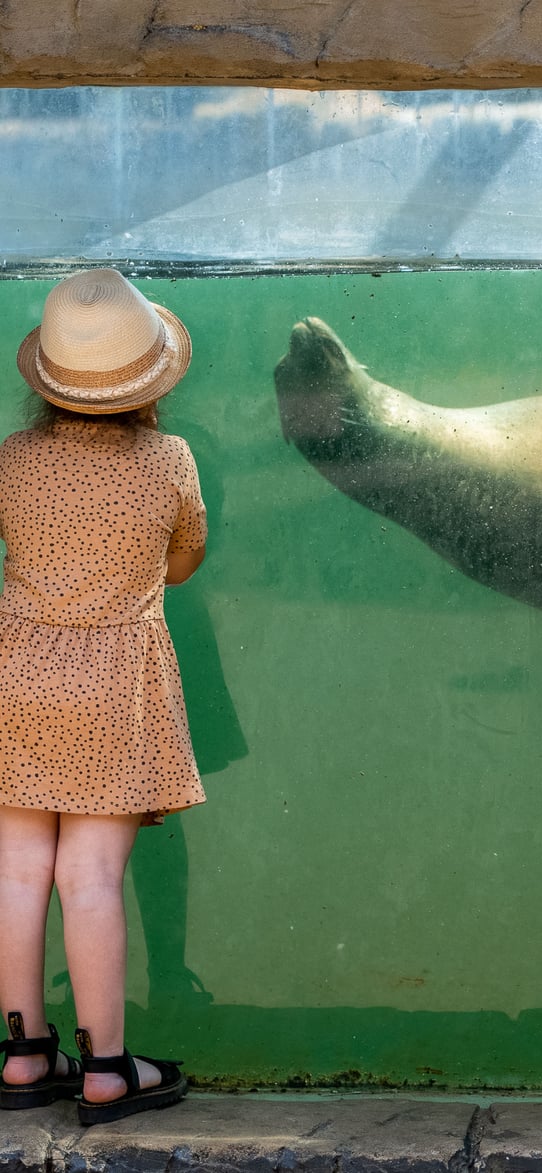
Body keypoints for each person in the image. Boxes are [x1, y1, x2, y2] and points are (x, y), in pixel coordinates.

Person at [0, 269, 207, 1125]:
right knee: (90, 877)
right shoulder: (169, 460)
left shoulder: (11, 458)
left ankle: (21, 1054)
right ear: (149, 380)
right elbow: (186, 556)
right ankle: (110, 1068)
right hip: (112, 687)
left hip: (15, 672)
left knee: (15, 869)